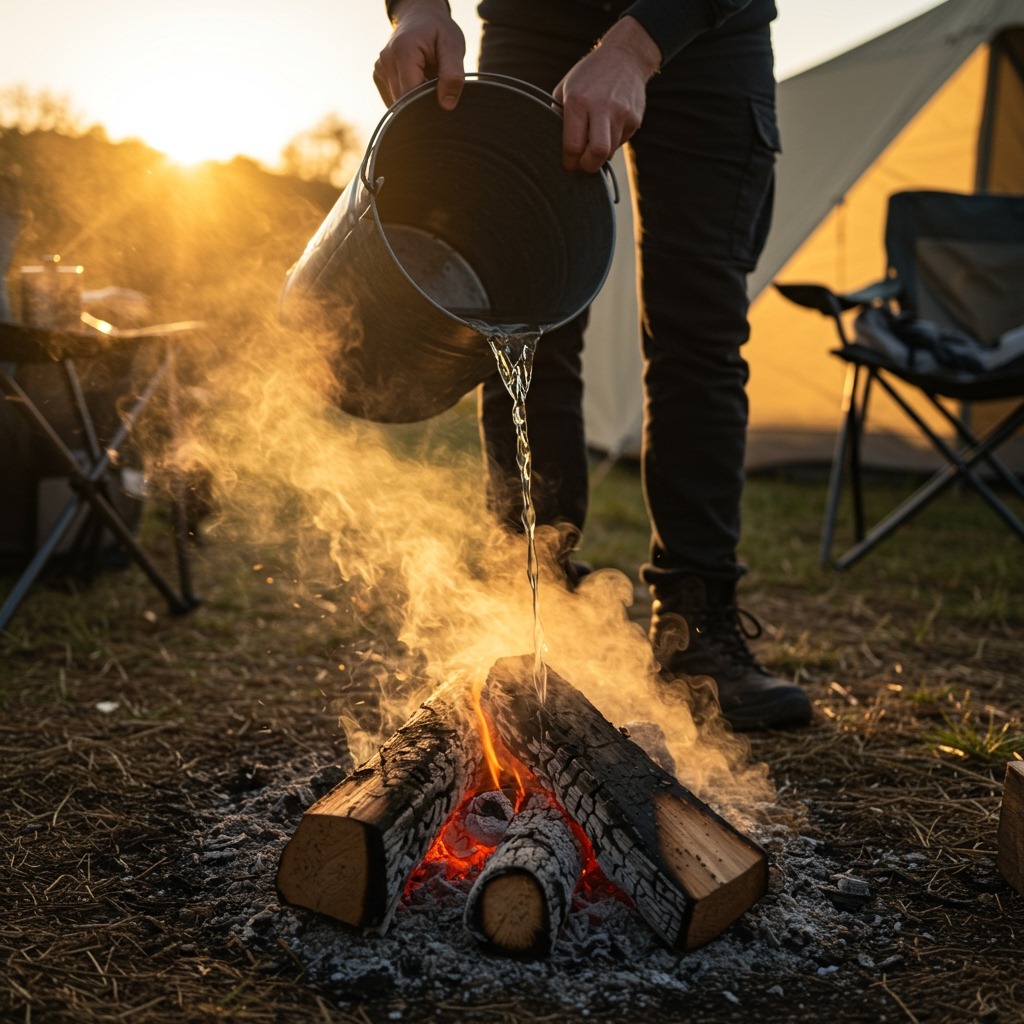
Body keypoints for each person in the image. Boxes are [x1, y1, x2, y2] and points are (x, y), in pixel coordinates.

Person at [374, 0, 812, 731]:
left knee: (698, 330)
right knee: (522, 312)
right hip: (535, 17)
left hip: (707, 29)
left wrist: (637, 47)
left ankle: (696, 629)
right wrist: (416, 9)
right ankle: (539, 607)